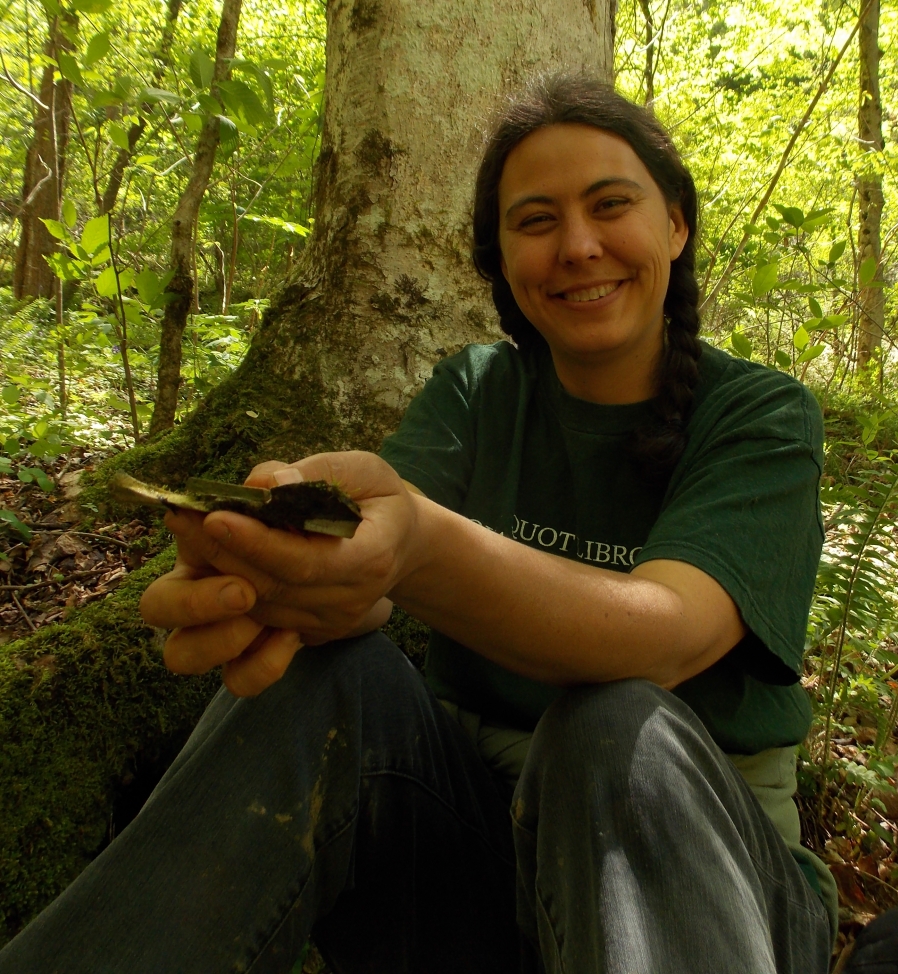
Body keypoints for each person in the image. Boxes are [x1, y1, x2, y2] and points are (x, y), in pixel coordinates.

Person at [0, 75, 841, 974]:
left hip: (707, 888)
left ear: (675, 225)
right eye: (536, 221)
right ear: (502, 263)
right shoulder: (477, 391)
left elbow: (664, 637)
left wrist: (421, 547)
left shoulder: (760, 415)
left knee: (617, 725)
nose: (580, 246)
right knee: (326, 675)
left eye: (611, 205)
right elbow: (370, 568)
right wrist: (282, 573)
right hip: (476, 859)